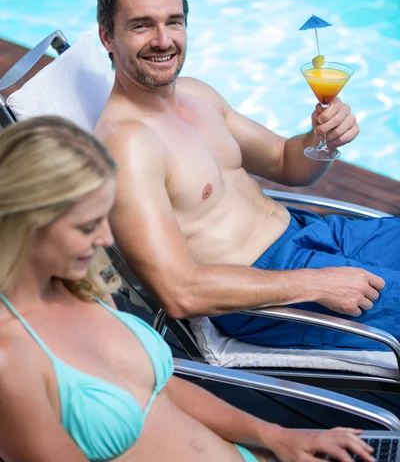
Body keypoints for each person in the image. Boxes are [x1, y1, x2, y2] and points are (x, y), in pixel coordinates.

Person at [0, 116, 376, 462]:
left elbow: (160, 389)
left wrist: (278, 437)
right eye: (87, 227)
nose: (105, 238)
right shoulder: (11, 357)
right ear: (28, 221)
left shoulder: (81, 285)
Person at [95, 0, 399, 352]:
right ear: (107, 37)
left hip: (311, 234)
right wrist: (318, 282)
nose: (163, 39)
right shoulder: (128, 144)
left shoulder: (195, 93)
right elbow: (179, 291)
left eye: (174, 21)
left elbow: (288, 164)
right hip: (269, 291)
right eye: (141, 25)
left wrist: (323, 138)